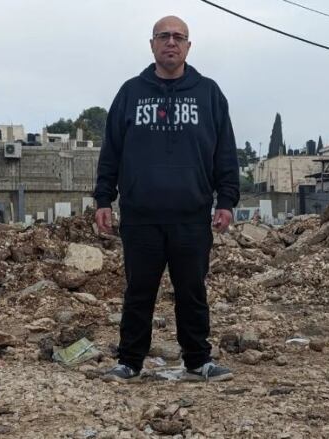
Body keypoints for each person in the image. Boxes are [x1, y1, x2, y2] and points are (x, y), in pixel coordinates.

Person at [93, 15, 240, 383]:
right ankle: (129, 362)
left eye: (178, 37)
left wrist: (227, 200)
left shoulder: (208, 94)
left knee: (192, 291)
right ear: (152, 44)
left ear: (189, 46)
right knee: (139, 292)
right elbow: (111, 150)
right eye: (164, 36)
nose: (171, 42)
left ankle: (197, 361)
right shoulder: (130, 93)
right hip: (141, 215)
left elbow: (225, 152)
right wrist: (103, 199)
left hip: (191, 215)